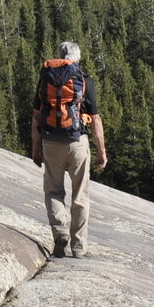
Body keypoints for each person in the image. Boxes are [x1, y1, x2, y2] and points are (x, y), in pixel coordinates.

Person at [30, 41, 108, 257]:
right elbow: (95, 120)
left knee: (53, 191)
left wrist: (36, 147)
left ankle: (60, 233)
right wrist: (102, 150)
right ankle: (79, 248)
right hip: (77, 143)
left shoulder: (45, 78)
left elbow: (36, 116)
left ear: (60, 56)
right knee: (80, 196)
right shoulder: (84, 80)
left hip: (51, 143)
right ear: (77, 58)